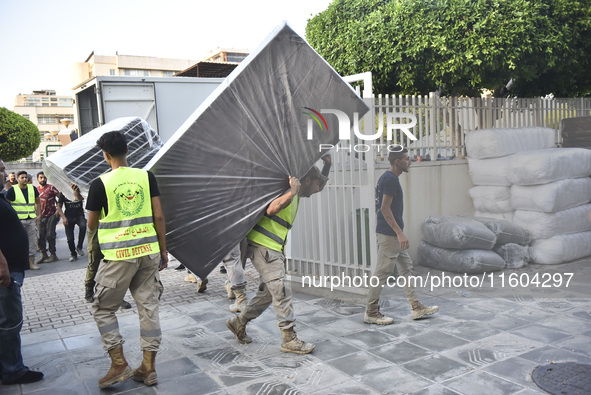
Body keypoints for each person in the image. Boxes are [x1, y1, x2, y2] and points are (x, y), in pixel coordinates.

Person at [86, 131, 168, 389]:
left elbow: (91, 224)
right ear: (128, 151)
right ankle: (148, 368)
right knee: (148, 308)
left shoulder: (100, 183)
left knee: (103, 307)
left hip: (119, 257)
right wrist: (163, 251)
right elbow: (159, 217)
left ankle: (118, 362)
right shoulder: (146, 177)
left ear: (105, 155)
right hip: (148, 253)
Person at [226, 155, 331, 354]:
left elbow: (320, 186)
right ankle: (289, 339)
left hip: (272, 247)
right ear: (306, 181)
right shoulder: (290, 189)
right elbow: (272, 209)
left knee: (267, 294)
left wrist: (327, 164)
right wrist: (292, 191)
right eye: (316, 184)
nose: (318, 189)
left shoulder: (300, 190)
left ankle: (238, 322)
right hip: (264, 246)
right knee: (282, 291)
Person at [365, 149, 438, 325]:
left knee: (406, 267)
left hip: (392, 234)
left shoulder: (386, 178)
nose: (410, 161)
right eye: (407, 159)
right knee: (382, 272)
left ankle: (416, 307)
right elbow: (384, 208)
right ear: (398, 162)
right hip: (390, 235)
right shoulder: (390, 180)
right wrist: (399, 232)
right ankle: (371, 311)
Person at [0, 158, 44, 385]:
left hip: (12, 269)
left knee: (7, 320)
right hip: (5, 274)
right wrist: (3, 266)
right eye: (0, 170)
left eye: (4, 169)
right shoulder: (8, 194)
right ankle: (12, 370)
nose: (4, 174)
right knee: (9, 321)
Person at [5, 171, 40, 270]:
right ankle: (19, 263)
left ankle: (31, 263)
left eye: (26, 177)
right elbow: (7, 204)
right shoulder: (12, 190)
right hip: (18, 221)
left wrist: (39, 215)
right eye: (22, 177)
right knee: (18, 242)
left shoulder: (32, 188)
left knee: (32, 242)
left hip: (31, 220)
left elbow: (38, 202)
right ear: (17, 179)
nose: (24, 179)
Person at [36, 172, 65, 264]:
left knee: (50, 235)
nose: (43, 179)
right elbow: (35, 203)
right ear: (37, 179)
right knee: (40, 236)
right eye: (41, 178)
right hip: (40, 216)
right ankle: (44, 254)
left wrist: (58, 210)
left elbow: (61, 198)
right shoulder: (35, 190)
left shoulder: (51, 188)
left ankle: (53, 255)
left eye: (44, 177)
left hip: (51, 215)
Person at [58, 183, 87, 262]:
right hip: (68, 217)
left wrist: (76, 192)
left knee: (83, 226)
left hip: (79, 215)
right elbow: (59, 207)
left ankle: (79, 247)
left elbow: (81, 199)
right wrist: (63, 218)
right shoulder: (63, 192)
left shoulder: (79, 189)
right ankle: (73, 254)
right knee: (70, 238)